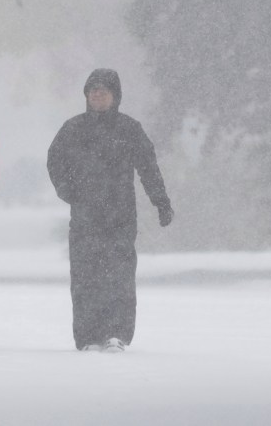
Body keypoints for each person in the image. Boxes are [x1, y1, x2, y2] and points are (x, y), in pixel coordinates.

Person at [46, 68, 173, 353]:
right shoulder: (73, 129)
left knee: (120, 278)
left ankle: (117, 333)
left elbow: (148, 169)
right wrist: (67, 191)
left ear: (115, 96)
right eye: (93, 90)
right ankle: (88, 336)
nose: (98, 94)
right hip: (84, 218)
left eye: (104, 90)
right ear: (87, 96)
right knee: (85, 278)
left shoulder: (129, 129)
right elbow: (55, 162)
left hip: (120, 217)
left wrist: (161, 202)